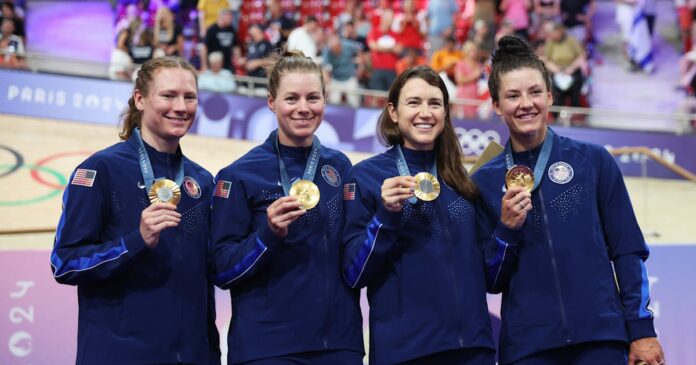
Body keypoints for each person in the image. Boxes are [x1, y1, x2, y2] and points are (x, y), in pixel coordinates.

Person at [471, 35, 665, 365]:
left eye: (534, 92)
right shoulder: (484, 181)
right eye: (513, 96)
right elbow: (490, 281)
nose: (526, 103)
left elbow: (627, 249)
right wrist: (506, 230)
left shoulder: (593, 160)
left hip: (600, 338)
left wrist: (642, 329)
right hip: (528, 347)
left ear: (549, 95)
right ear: (496, 105)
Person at [50, 56, 221, 365]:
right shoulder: (100, 170)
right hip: (119, 355)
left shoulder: (203, 182)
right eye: (168, 95)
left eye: (189, 96)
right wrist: (134, 241)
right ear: (140, 99)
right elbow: (65, 263)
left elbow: (205, 283)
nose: (181, 106)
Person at [210, 49, 364, 365]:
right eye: (291, 98)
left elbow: (352, 252)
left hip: (338, 344)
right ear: (271, 102)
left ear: (325, 99)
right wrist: (267, 234)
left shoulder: (340, 167)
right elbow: (222, 269)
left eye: (313, 98)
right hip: (268, 347)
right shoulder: (239, 175)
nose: (303, 108)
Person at [342, 65, 495, 365]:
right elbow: (353, 273)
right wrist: (385, 218)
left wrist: (508, 229)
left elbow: (488, 271)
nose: (425, 112)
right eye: (414, 102)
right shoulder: (367, 178)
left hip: (473, 348)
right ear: (394, 111)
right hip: (406, 351)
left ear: (445, 113)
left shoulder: (462, 182)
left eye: (434, 103)